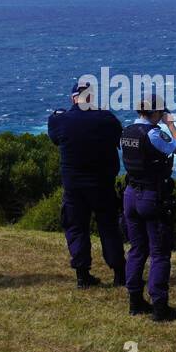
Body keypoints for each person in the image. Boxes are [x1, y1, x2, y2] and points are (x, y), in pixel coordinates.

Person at [47, 81, 126, 289]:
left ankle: (83, 275)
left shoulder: (60, 121)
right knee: (109, 228)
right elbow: (118, 136)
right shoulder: (106, 119)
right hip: (102, 184)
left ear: (74, 98)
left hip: (74, 186)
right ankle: (119, 273)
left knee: (76, 228)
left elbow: (54, 138)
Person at [120, 94, 176, 321]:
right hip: (151, 195)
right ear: (156, 112)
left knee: (137, 249)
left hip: (130, 194)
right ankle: (160, 306)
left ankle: (135, 300)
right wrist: (171, 125)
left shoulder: (127, 131)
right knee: (159, 253)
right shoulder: (154, 133)